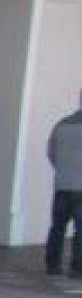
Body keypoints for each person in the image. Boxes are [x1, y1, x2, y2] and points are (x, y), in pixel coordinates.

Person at [46, 89, 82, 276]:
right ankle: (78, 268)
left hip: (62, 184)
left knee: (57, 227)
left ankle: (52, 266)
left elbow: (52, 153)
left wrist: (63, 170)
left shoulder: (61, 124)